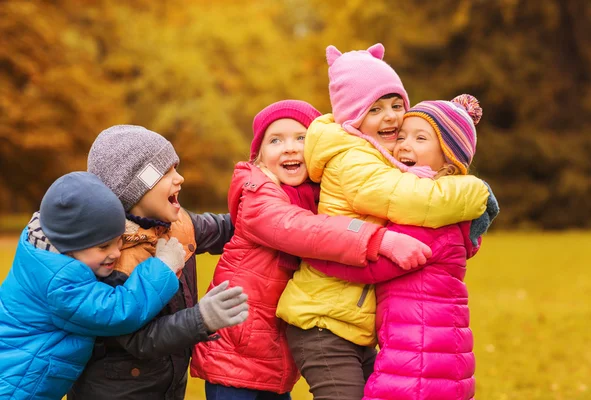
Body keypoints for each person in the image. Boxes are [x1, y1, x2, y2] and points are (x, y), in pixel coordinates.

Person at [276, 44, 495, 400]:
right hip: (323, 318)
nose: (391, 117)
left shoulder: (385, 158)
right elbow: (404, 197)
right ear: (353, 116)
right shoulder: (353, 159)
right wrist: (475, 192)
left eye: (396, 105)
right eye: (375, 109)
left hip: (356, 324)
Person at [190, 100, 432, 400]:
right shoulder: (259, 193)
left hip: (275, 359)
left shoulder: (316, 196)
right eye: (275, 140)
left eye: (301, 138)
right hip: (236, 354)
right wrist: (377, 239)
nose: (290, 148)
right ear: (259, 157)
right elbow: (302, 230)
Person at [68, 126, 248, 399]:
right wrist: (201, 319)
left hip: (165, 385)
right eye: (167, 173)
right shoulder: (108, 260)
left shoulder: (177, 224)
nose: (180, 178)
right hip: (118, 391)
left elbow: (226, 228)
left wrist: (271, 207)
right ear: (136, 189)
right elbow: (139, 339)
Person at [0, 172, 186, 400]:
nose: (116, 253)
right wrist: (163, 267)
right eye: (103, 247)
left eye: (119, 241)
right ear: (70, 246)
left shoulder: (43, 248)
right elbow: (117, 311)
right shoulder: (60, 284)